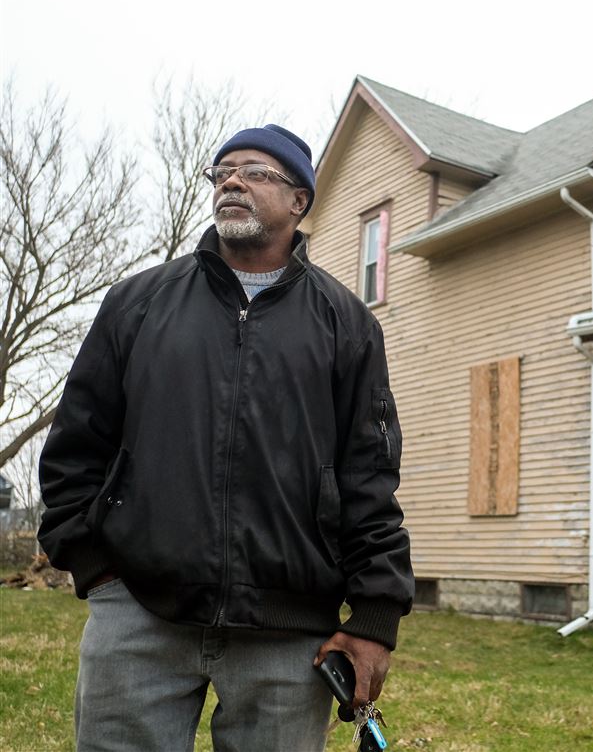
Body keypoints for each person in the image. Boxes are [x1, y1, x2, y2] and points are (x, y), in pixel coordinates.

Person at [38, 124, 414, 751]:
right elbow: (76, 445)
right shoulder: (137, 302)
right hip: (140, 614)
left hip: (289, 631)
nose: (234, 180)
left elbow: (369, 476)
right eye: (224, 171)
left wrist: (375, 616)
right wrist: (98, 569)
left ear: (299, 201)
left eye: (257, 172)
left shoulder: (346, 323)